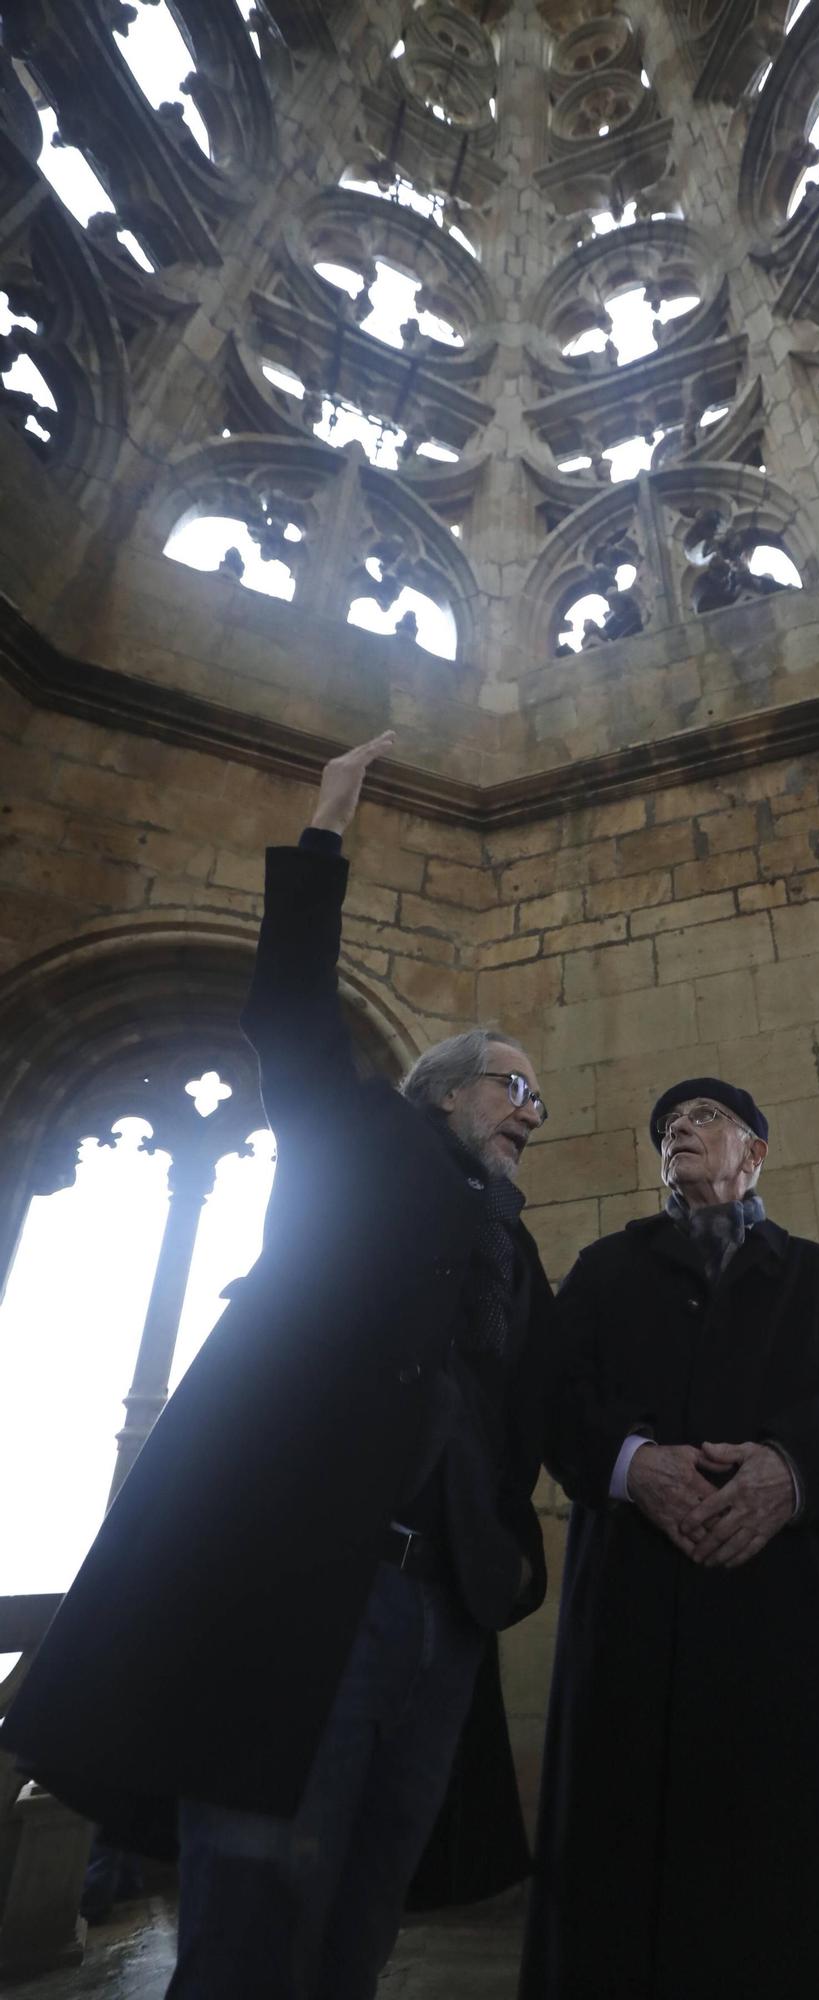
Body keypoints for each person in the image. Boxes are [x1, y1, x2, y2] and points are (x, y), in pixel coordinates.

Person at [1, 733, 554, 1999]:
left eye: (538, 1093)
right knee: (258, 1893)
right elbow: (293, 1007)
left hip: (445, 1610)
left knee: (366, 1904)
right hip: (316, 1588)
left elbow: (540, 1401)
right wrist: (328, 824)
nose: (532, 1106)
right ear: (441, 1092)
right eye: (513, 1083)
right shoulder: (358, 1137)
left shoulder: (515, 1245)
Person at [521, 1076, 819, 2000]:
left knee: (795, 1868)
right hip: (635, 1609)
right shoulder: (606, 1268)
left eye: (705, 1119)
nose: (680, 1132)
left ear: (756, 1152)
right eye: (667, 1126)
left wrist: (789, 1468)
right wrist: (630, 1464)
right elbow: (549, 1398)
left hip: (791, 1616)